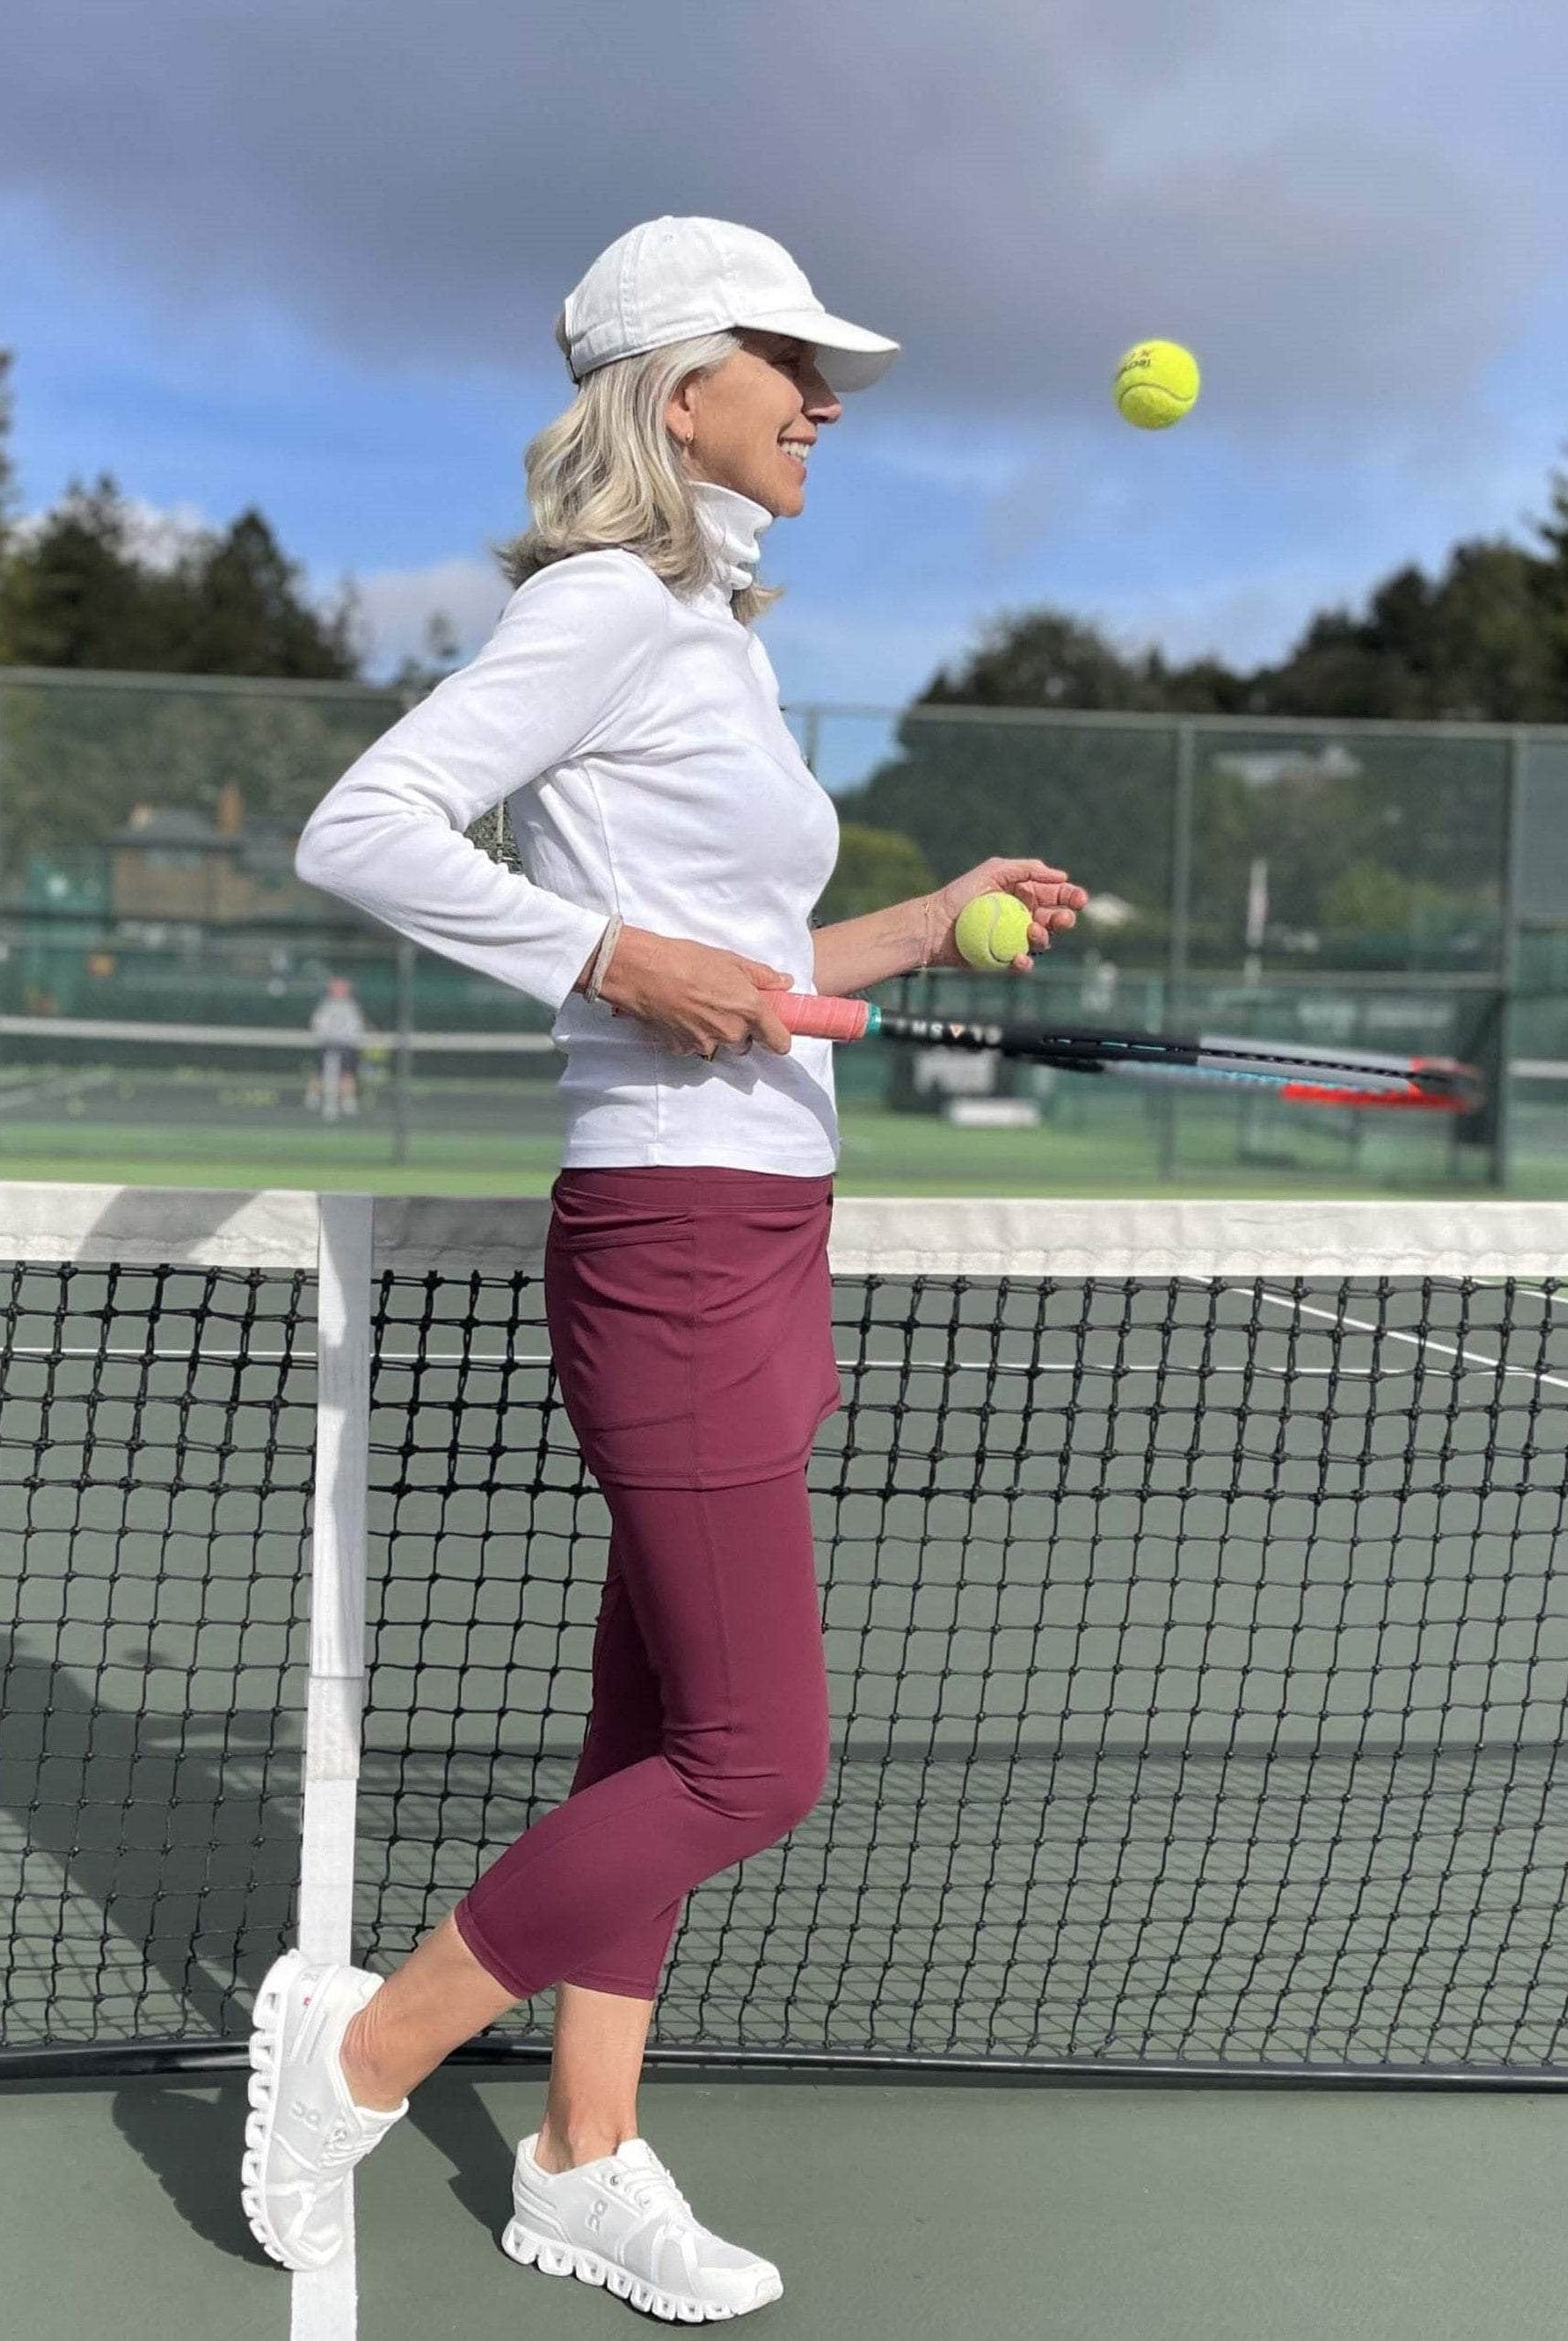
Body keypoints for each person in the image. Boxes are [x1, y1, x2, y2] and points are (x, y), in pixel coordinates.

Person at [243, 215, 1086, 2322]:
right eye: (789, 361)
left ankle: (582, 2147)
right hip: (674, 1230)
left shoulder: (711, 633)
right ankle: (356, 2047)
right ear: (670, 385)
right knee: (755, 1755)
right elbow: (365, 825)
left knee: (657, 1714)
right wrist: (611, 952)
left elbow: (748, 959)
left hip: (766, 1217)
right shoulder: (612, 604)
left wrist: (913, 919)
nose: (822, 403)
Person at [305, 974, 367, 1120]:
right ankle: (313, 1100)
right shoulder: (325, 1005)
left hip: (346, 1045)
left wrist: (352, 1039)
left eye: (342, 987)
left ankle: (348, 1101)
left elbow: (356, 1026)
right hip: (326, 1044)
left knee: (347, 1073)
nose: (340, 990)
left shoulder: (352, 1006)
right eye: (337, 987)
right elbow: (318, 1024)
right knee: (319, 1072)